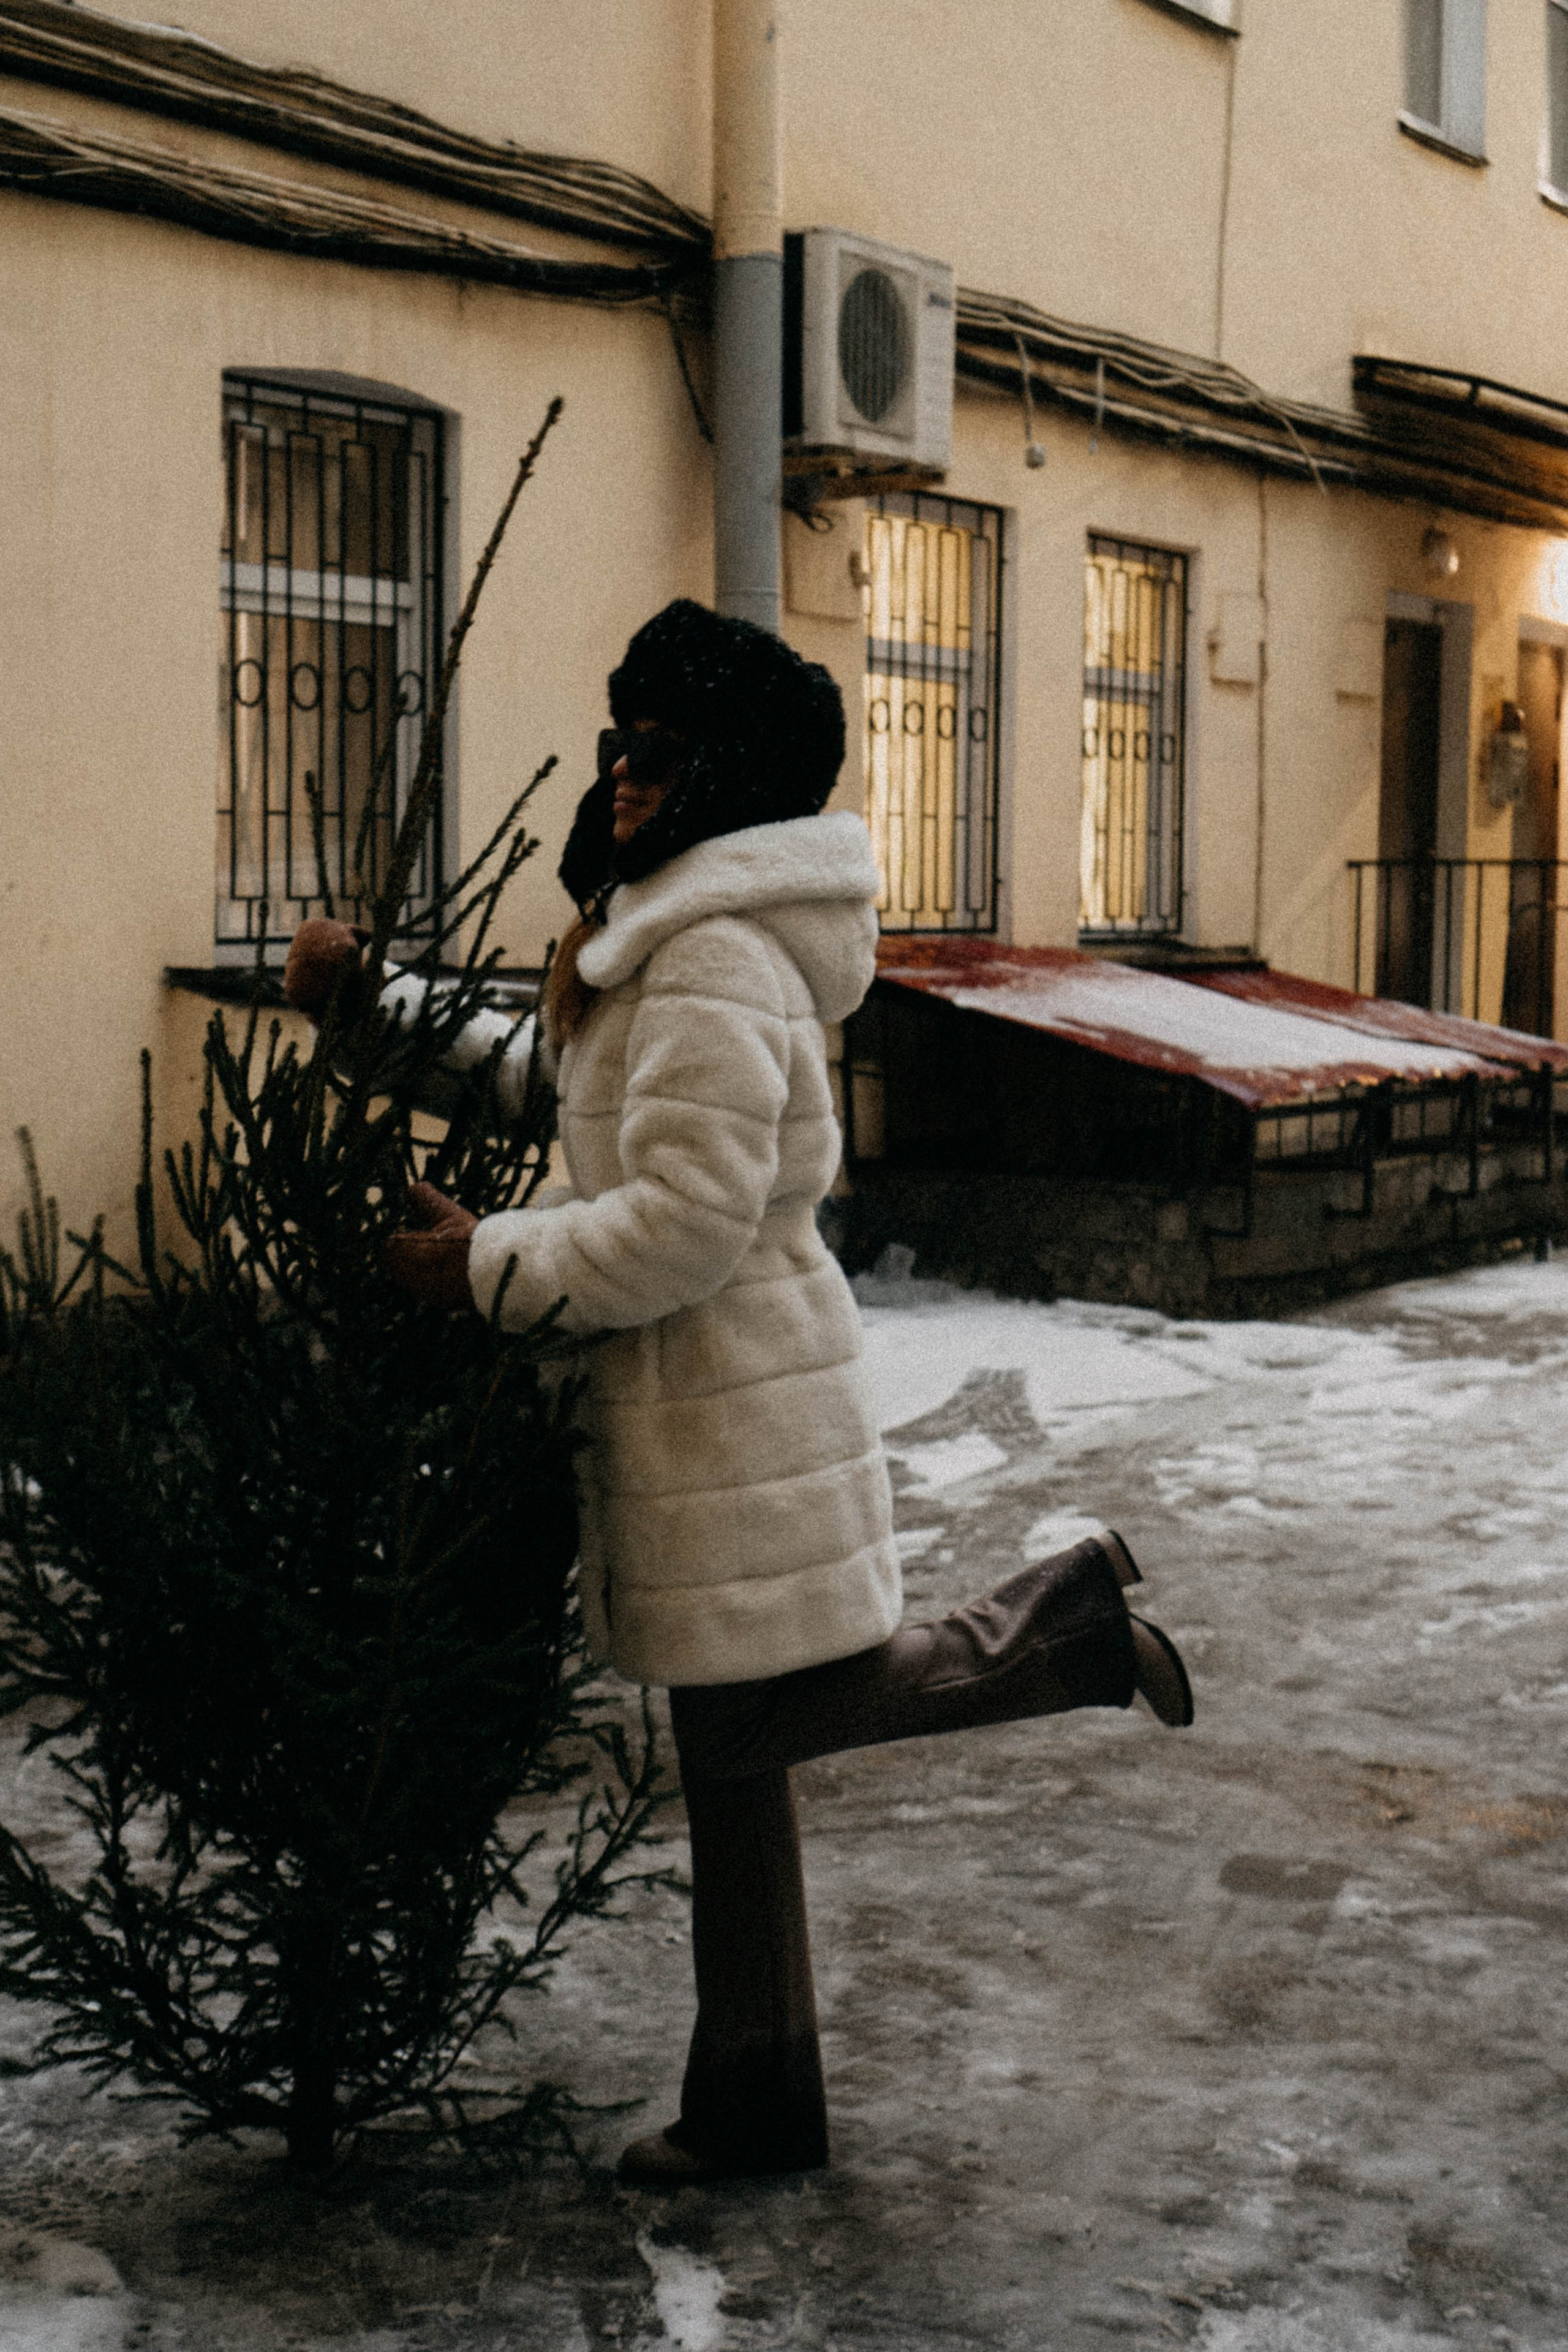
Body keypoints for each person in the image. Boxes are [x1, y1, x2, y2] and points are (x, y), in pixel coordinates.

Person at [285, 598, 1194, 2187]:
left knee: (771, 1714)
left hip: (726, 1397)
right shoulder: (660, 938)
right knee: (737, 1756)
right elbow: (547, 1079)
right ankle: (762, 2101)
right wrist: (375, 1013)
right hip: (703, 1403)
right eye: (619, 738)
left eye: (660, 748)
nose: (624, 769)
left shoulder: (707, 949)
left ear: (723, 776)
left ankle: (1066, 1629)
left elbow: (689, 1218)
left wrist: (488, 1261)